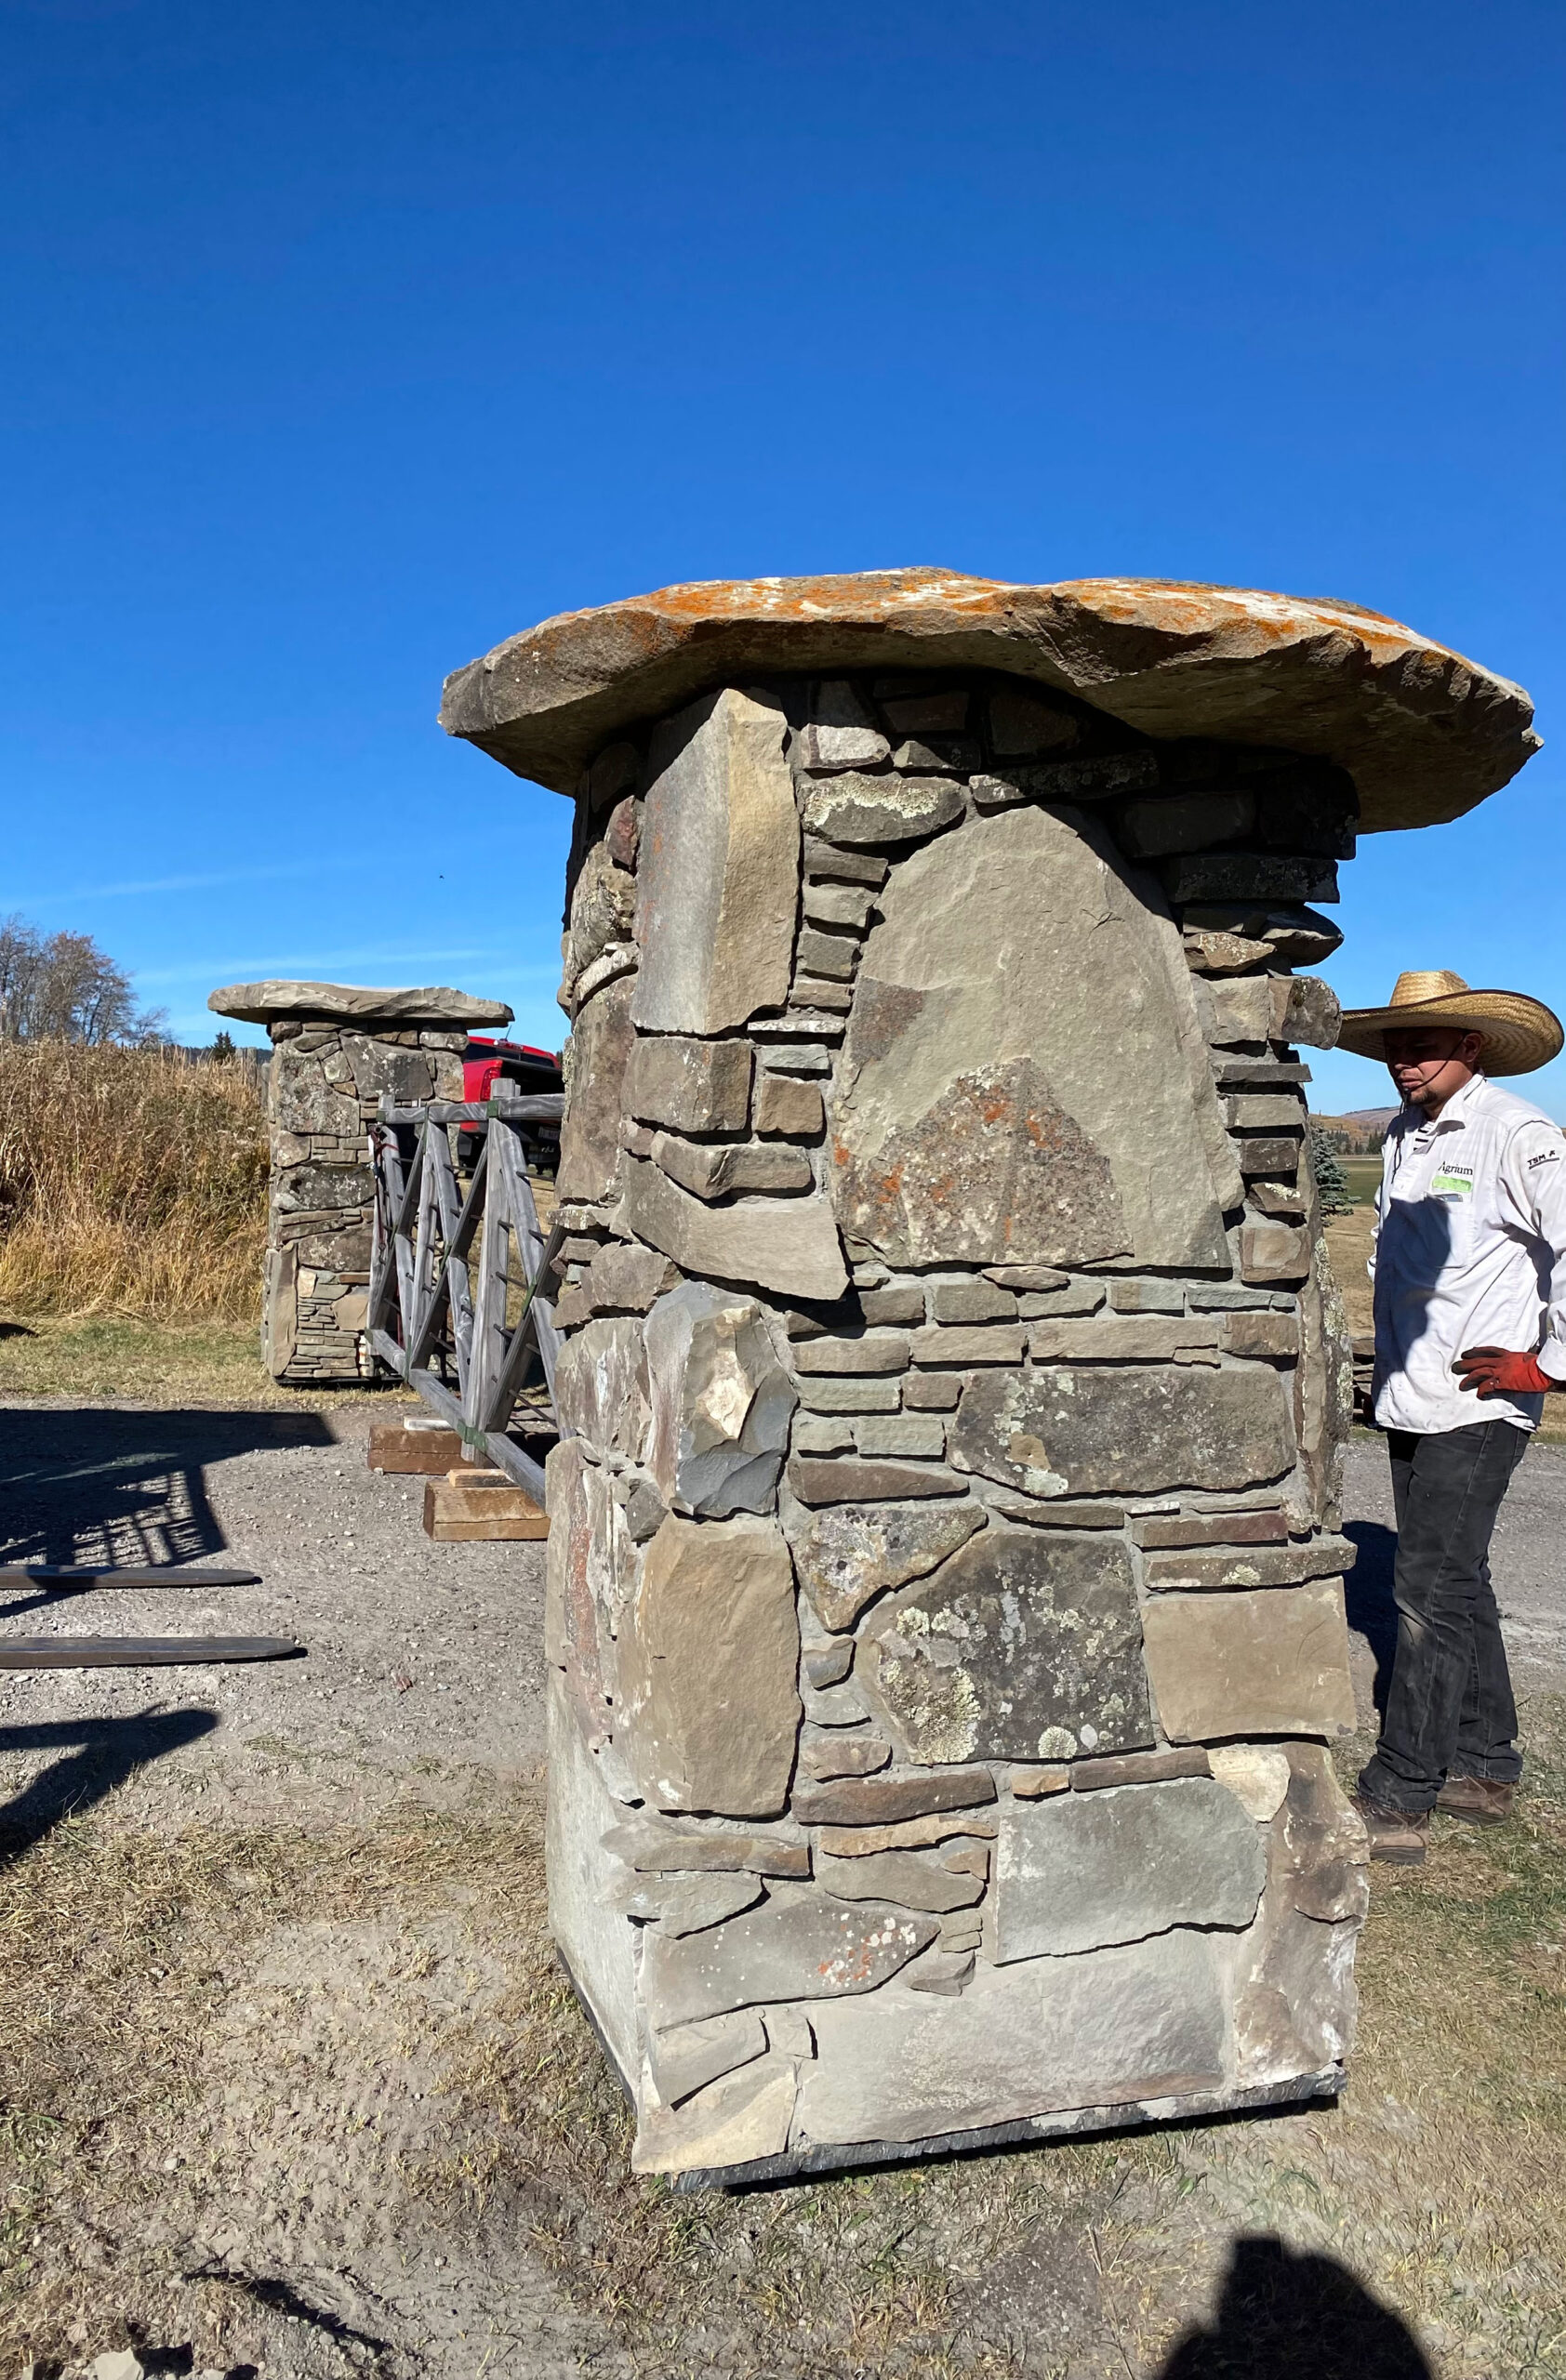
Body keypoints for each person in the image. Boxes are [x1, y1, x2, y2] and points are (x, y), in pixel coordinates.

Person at [1335, 969, 1566, 1864]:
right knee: (1457, 1580)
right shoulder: (1403, 1136)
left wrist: (1548, 1364)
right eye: (1395, 1045)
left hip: (1481, 1400)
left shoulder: (1518, 1133)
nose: (1404, 1060)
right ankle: (1485, 1763)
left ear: (1471, 1047)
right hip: (1413, 1391)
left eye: (1423, 1045)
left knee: (1427, 1591)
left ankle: (1402, 1791)